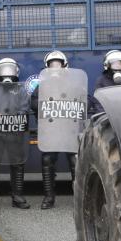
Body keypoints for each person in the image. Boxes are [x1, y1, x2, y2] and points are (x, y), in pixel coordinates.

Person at [32, 50, 97, 210]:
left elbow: (87, 100)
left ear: (65, 65)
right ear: (46, 67)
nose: (55, 67)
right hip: (51, 131)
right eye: (52, 64)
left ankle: (79, 199)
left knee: (75, 162)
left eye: (58, 64)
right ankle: (49, 197)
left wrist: (81, 104)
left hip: (70, 130)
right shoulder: (42, 84)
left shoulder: (74, 83)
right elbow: (33, 102)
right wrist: (43, 105)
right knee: (47, 160)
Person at [0, 58, 30, 211]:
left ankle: (17, 196)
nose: (7, 72)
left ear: (16, 71)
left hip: (14, 134)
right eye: (5, 69)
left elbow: (24, 109)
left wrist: (14, 117)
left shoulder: (21, 90)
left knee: (17, 165)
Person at [93, 49, 121, 114]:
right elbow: (98, 102)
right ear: (107, 65)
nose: (117, 66)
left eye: (120, 64)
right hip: (107, 117)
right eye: (114, 64)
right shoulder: (101, 81)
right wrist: (104, 117)